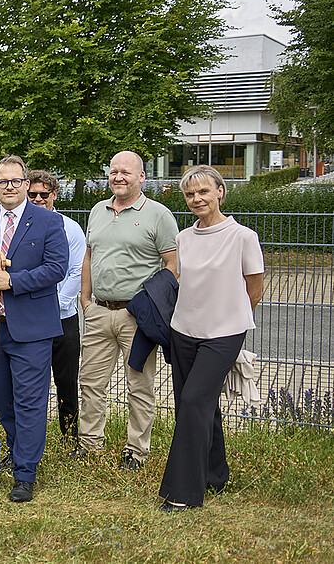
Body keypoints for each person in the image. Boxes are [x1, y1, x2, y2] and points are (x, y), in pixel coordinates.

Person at [0, 155, 68, 502]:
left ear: (25, 183)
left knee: (30, 402)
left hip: (32, 328)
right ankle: (21, 451)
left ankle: (25, 473)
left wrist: (13, 281)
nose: (10, 187)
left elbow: (57, 268)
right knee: (2, 400)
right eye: (3, 182)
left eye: (16, 182)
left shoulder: (47, 221)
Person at [159, 166, 263, 511]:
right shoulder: (184, 239)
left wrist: (230, 318)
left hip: (224, 334)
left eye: (203, 191)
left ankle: (183, 494)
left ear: (220, 191)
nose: (196, 199)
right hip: (183, 330)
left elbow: (255, 288)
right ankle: (215, 474)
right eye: (190, 194)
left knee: (192, 403)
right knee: (199, 406)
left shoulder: (243, 236)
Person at [78, 151, 179, 469]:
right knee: (91, 382)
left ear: (142, 177)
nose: (118, 177)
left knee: (139, 385)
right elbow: (88, 257)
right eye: (113, 171)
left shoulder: (158, 215)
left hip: (136, 317)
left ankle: (136, 452)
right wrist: (85, 300)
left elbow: (173, 265)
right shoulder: (97, 211)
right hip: (98, 312)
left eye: (126, 172)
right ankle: (89, 445)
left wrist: (154, 305)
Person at [26, 170, 86, 444]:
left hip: (63, 318)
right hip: (29, 319)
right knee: (30, 385)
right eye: (33, 194)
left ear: (55, 195)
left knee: (66, 381)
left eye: (44, 194)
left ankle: (70, 435)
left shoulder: (70, 229)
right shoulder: (20, 229)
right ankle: (30, 438)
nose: (38, 198)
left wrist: (56, 306)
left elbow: (76, 272)